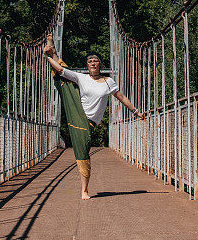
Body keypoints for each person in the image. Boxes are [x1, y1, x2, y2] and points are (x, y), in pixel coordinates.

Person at [43, 33, 145, 199]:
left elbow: (121, 97)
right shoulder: (82, 78)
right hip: (79, 115)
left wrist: (135, 111)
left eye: (95, 61)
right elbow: (61, 69)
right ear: (87, 65)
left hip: (91, 123)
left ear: (100, 64)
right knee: (83, 152)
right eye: (90, 61)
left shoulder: (108, 82)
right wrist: (48, 58)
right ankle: (84, 190)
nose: (92, 63)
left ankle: (52, 50)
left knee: (83, 150)